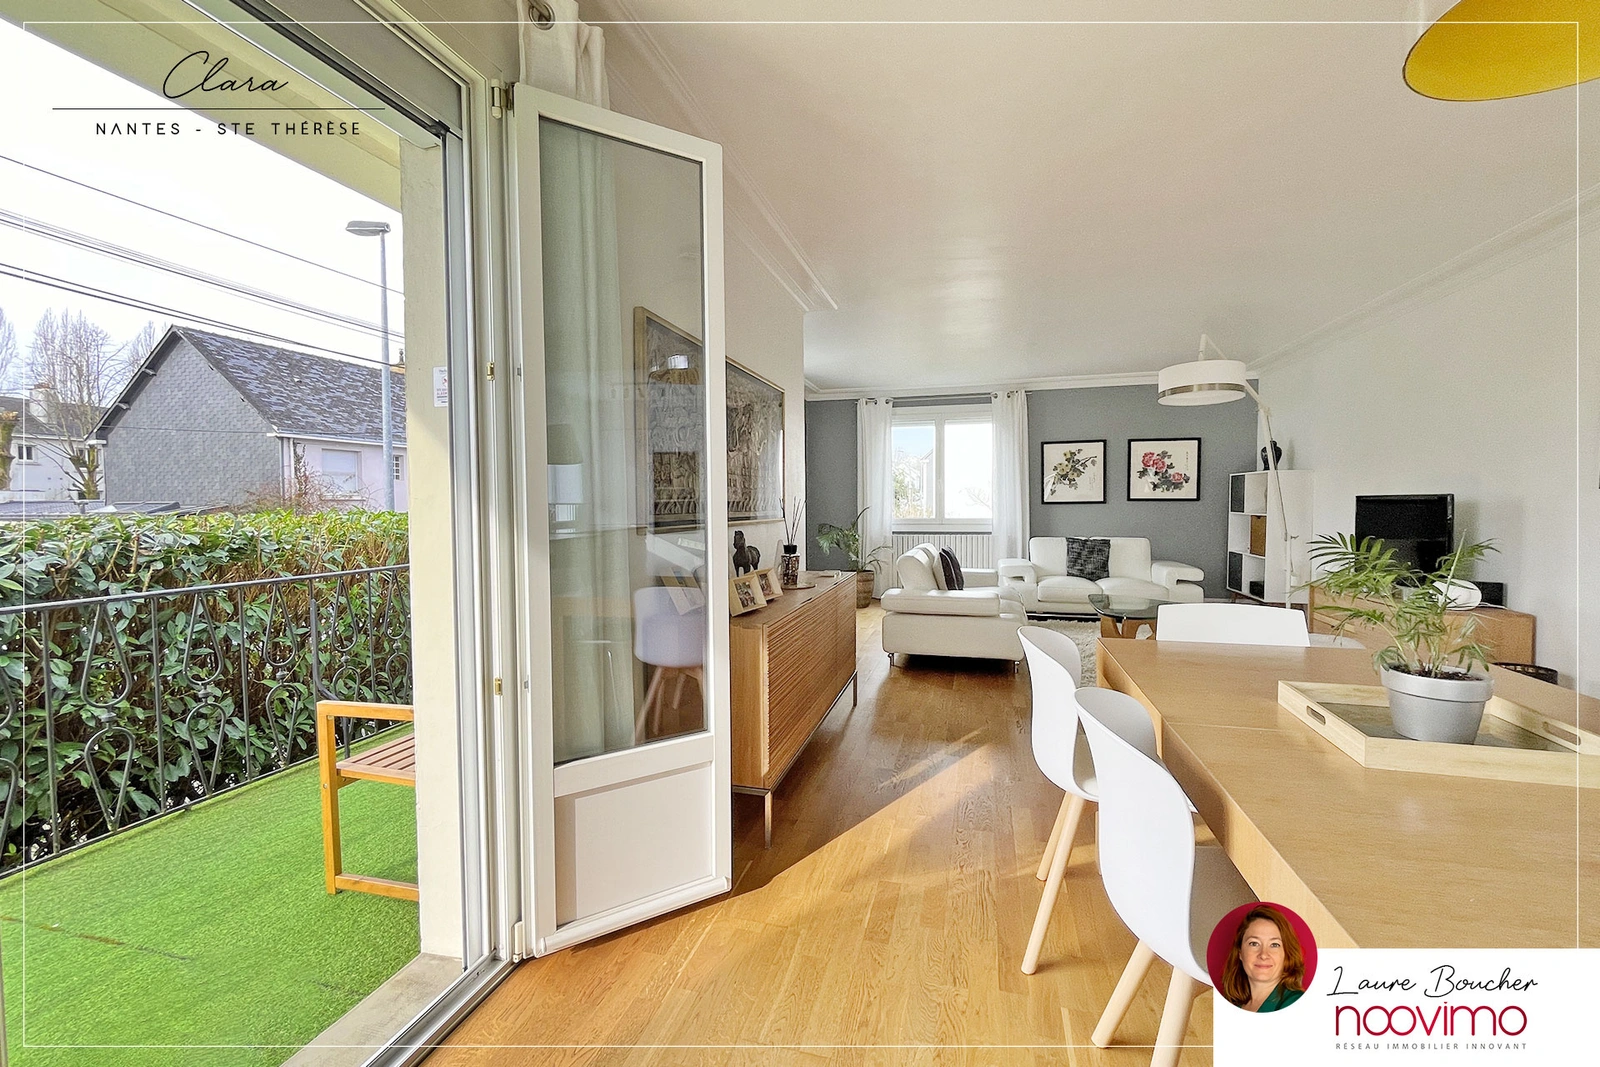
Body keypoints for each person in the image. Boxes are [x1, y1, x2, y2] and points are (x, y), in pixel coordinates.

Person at [1220, 904, 1307, 1012]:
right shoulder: (1230, 1003)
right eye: (1254, 943)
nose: (1264, 955)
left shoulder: (1298, 1003)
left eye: (1274, 945)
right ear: (1240, 953)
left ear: (1286, 954)